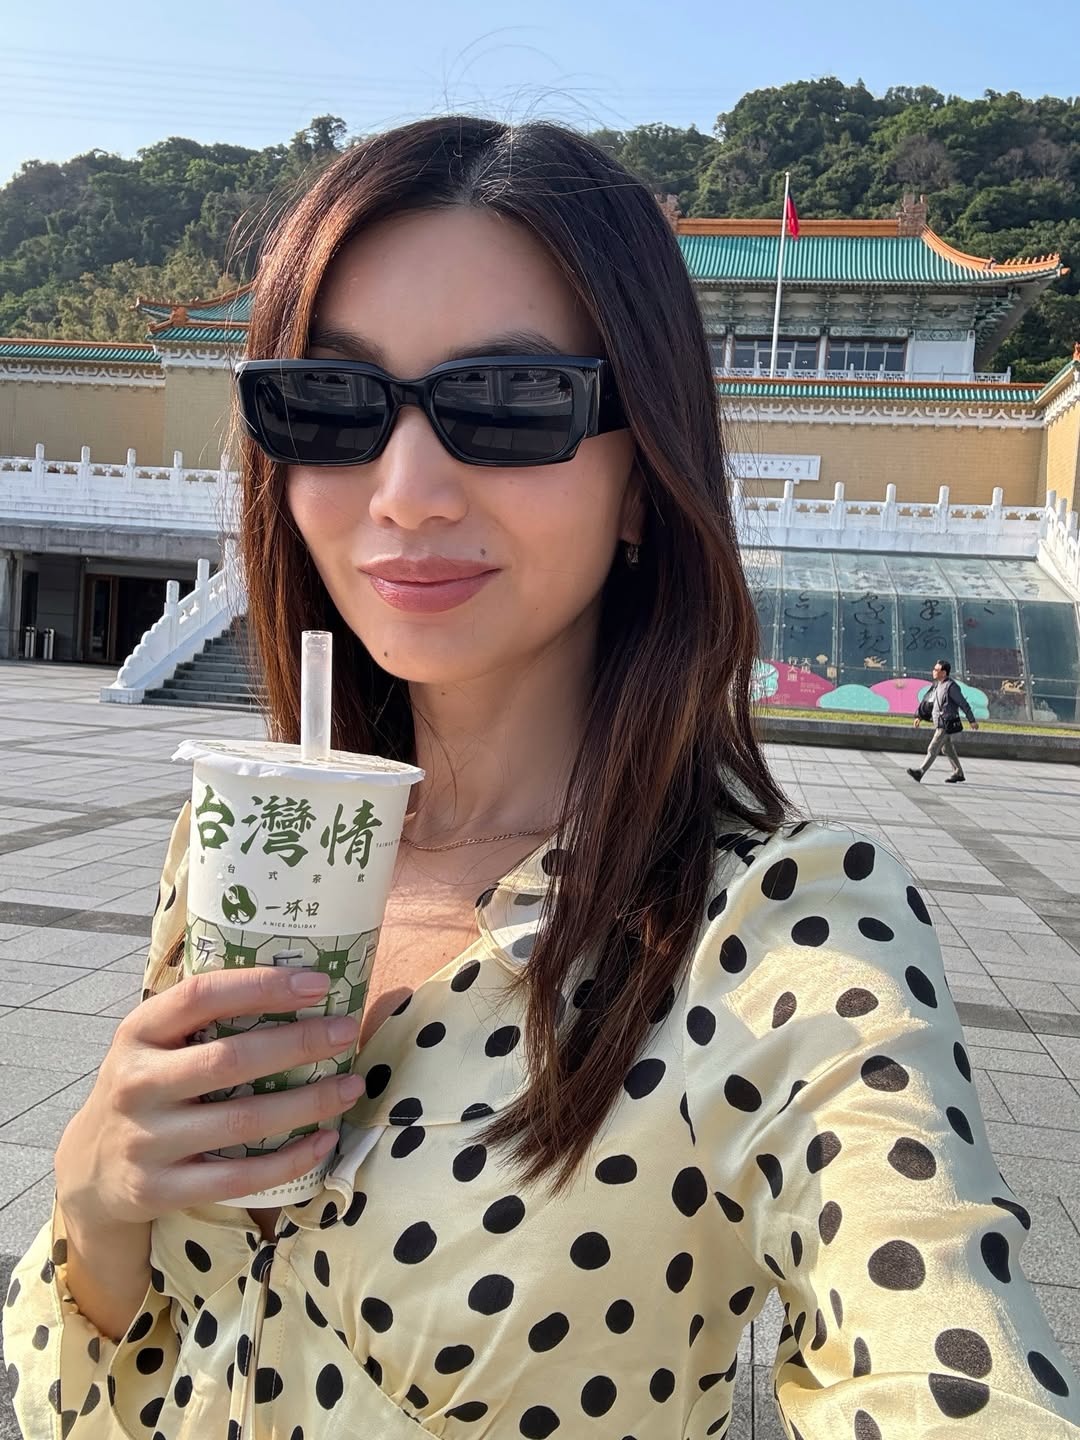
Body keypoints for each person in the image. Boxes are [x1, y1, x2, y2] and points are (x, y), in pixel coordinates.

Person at [5, 118, 1078, 1440]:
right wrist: (94, 1202)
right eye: (331, 404)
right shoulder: (248, 839)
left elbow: (946, 1356)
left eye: (510, 403)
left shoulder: (777, 933)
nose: (405, 492)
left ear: (644, 476)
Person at [907, 659, 980, 785]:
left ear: (944, 673)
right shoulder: (937, 685)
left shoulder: (951, 687)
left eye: (936, 670)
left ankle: (920, 772)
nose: (933, 671)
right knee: (947, 749)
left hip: (946, 724)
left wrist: (971, 720)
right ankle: (958, 773)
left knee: (933, 748)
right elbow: (928, 702)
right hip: (939, 722)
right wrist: (920, 716)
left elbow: (963, 703)